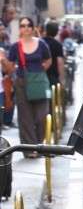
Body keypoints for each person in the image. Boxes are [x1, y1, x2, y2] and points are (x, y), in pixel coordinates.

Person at [6, 17, 52, 156]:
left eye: (28, 25)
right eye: (22, 25)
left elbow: (48, 59)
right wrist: (4, 62)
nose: (25, 28)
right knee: (25, 118)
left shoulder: (42, 44)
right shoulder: (16, 46)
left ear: (33, 28)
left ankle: (40, 146)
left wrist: (41, 71)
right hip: (22, 83)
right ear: (20, 29)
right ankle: (29, 149)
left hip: (39, 82)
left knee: (42, 116)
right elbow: (10, 67)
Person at [42, 20, 65, 87]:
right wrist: (62, 79)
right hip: (53, 76)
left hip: (40, 75)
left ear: (46, 30)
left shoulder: (40, 42)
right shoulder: (58, 45)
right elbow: (60, 62)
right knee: (54, 96)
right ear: (57, 32)